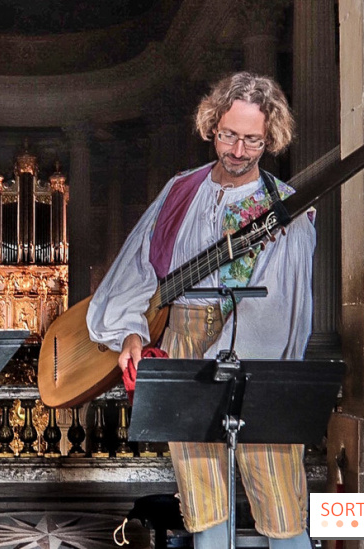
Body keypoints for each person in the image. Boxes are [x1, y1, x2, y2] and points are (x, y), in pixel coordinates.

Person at [87, 72, 316, 548]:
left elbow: (282, 305)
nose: (238, 150)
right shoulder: (179, 192)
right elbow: (137, 269)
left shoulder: (286, 208)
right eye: (229, 135)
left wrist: (224, 359)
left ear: (270, 139)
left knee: (277, 490)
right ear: (213, 126)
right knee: (201, 495)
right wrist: (133, 332)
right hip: (183, 343)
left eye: (253, 140)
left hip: (257, 349)